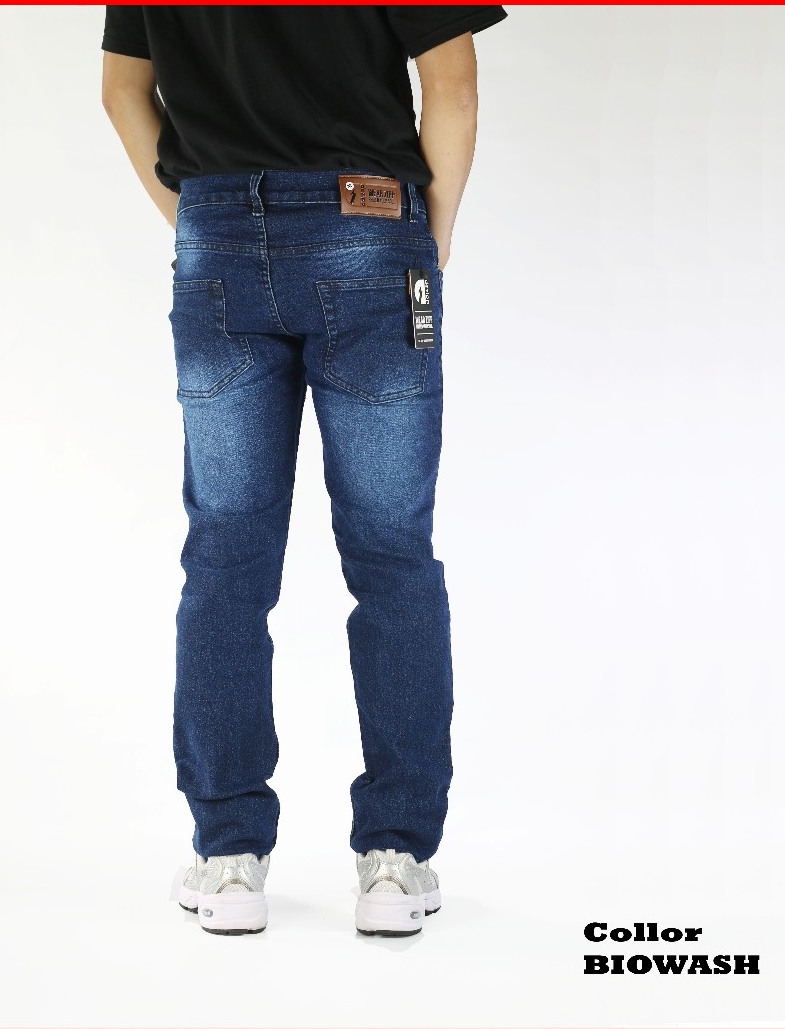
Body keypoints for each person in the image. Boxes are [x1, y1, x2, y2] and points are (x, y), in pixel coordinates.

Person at [101, 3, 507, 937]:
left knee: (225, 559)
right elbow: (453, 86)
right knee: (393, 554)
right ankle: (395, 860)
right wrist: (429, 236)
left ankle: (228, 858)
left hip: (215, 233)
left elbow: (122, 91)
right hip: (370, 229)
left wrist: (202, 220)